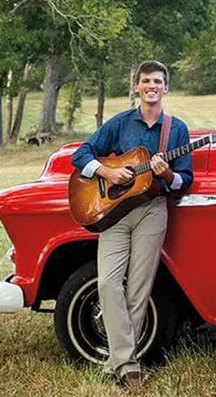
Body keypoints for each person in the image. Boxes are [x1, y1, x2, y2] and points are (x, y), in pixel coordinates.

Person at [70, 61, 192, 387]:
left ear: (166, 88)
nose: (151, 86)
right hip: (115, 214)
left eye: (157, 81)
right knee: (109, 284)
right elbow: (81, 154)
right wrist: (107, 172)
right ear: (137, 86)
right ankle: (124, 360)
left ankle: (123, 365)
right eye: (146, 81)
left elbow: (185, 181)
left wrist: (166, 174)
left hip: (153, 210)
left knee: (139, 289)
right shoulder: (121, 123)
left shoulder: (176, 129)